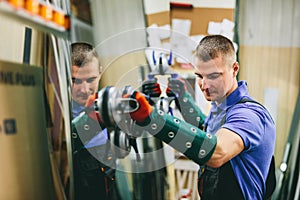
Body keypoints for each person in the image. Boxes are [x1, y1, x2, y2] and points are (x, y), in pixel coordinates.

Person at [119, 35, 276, 199]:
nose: (205, 85)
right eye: (200, 76)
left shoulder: (249, 115)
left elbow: (216, 151)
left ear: (235, 69)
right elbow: (205, 129)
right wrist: (182, 97)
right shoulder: (221, 106)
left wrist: (150, 118)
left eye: (214, 76)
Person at [71, 42, 118, 200]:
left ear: (99, 73)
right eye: (76, 81)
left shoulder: (107, 103)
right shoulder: (58, 112)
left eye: (91, 80)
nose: (84, 89)